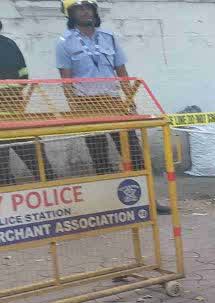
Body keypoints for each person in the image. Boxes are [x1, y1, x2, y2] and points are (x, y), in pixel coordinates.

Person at [55, 0, 168, 212]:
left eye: (89, 7)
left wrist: (129, 101)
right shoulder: (64, 42)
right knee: (100, 156)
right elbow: (66, 80)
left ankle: (149, 201)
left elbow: (121, 71)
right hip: (86, 104)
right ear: (71, 14)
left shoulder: (108, 38)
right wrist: (74, 108)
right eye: (80, 8)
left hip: (114, 102)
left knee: (134, 153)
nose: (86, 11)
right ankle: (111, 205)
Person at [0, 19, 57, 186]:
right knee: (34, 156)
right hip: (16, 111)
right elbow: (24, 75)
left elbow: (23, 74)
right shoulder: (10, 44)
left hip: (13, 113)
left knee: (9, 168)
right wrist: (14, 89)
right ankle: (50, 185)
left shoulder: (8, 44)